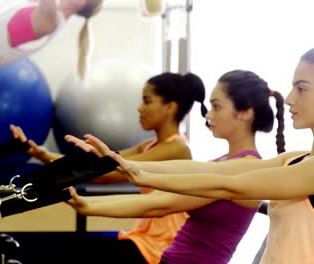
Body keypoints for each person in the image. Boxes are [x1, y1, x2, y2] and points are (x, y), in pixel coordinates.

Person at [92, 50, 314, 263]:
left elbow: (227, 186)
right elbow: (202, 171)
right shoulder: (294, 159)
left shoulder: (293, 168)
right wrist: (132, 167)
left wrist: (139, 175)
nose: (289, 98)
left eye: (301, 89)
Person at [12, 72, 207, 264]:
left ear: (170, 107)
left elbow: (105, 173)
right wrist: (40, 154)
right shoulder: (148, 146)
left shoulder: (176, 149)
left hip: (162, 247)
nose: (139, 108)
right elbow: (104, 163)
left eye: (147, 101)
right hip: (143, 240)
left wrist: (59, 167)